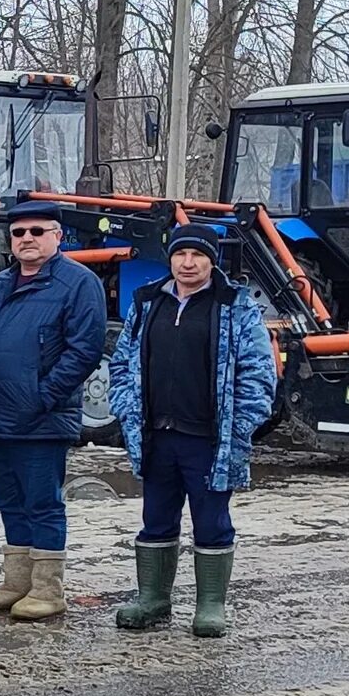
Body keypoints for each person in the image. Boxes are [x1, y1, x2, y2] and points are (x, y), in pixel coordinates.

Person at [107, 224, 275, 638]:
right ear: (169, 258)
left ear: (211, 261)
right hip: (156, 434)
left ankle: (210, 605)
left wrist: (242, 424)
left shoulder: (234, 305)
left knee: (212, 520)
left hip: (209, 439)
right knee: (156, 518)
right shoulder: (147, 302)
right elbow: (122, 362)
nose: (187, 263)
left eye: (197, 255)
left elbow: (258, 371)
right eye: (180, 254)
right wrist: (128, 407)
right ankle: (153, 599)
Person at [0, 199, 110, 621]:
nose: (26, 239)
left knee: (42, 502)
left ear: (57, 236)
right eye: (18, 233)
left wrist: (42, 396)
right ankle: (16, 583)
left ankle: (48, 589)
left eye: (37, 232)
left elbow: (84, 350)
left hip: (42, 418)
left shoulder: (79, 284)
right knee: (7, 499)